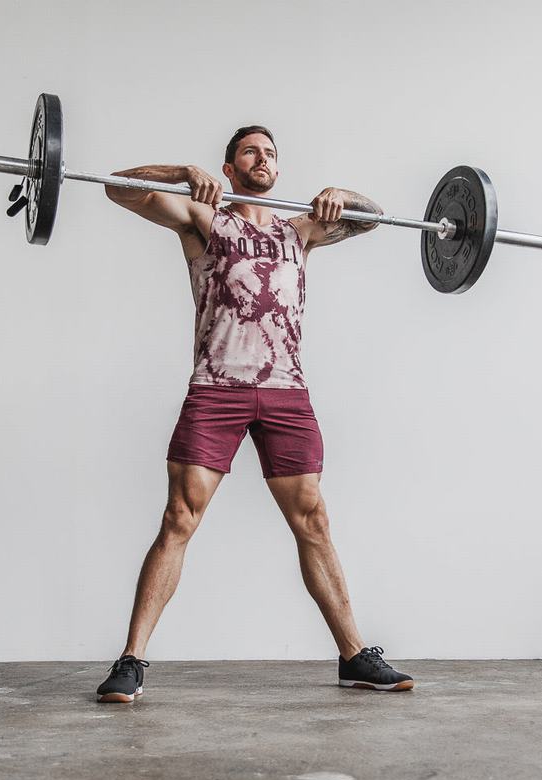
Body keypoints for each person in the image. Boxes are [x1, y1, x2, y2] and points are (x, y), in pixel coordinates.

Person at [95, 125, 414, 703]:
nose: (262, 159)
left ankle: (353, 657)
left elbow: (374, 218)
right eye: (251, 151)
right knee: (179, 518)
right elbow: (116, 188)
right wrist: (179, 172)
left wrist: (344, 194)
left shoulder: (303, 229)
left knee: (312, 522)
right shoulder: (204, 217)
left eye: (270, 153)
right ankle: (131, 660)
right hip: (218, 387)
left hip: (287, 392)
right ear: (231, 165)